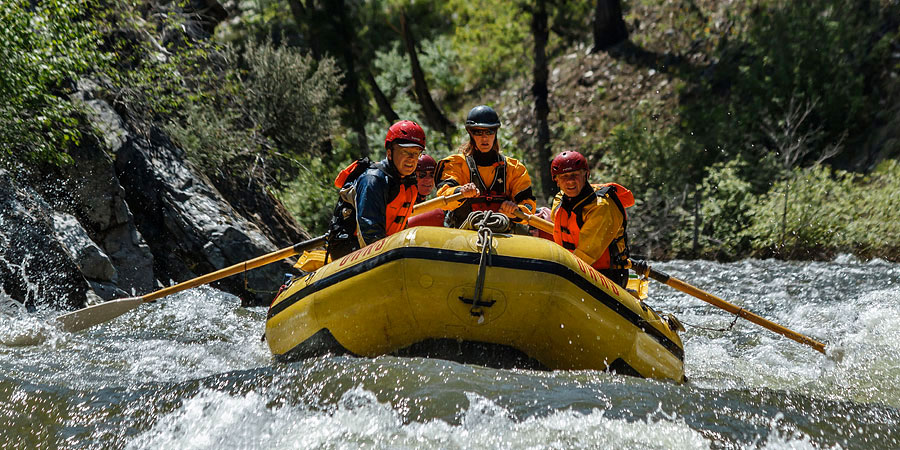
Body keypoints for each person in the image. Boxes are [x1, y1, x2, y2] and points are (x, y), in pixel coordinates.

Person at [325, 120, 424, 259]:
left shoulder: (408, 182)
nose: (411, 159)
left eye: (416, 153)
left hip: (386, 246)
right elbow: (370, 234)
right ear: (389, 153)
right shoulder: (373, 180)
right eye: (405, 152)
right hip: (351, 250)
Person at [434, 105, 537, 230]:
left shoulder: (514, 169)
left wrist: (516, 210)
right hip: (463, 237)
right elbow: (443, 195)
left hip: (503, 237)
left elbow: (529, 206)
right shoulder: (457, 164)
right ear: (471, 134)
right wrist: (460, 192)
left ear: (495, 133)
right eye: (478, 132)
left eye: (489, 131)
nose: (484, 138)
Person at [549, 151, 634, 288]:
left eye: (575, 175)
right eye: (564, 176)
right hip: (573, 268)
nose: (570, 180)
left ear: (586, 175)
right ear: (556, 180)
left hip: (607, 275)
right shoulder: (559, 200)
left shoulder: (601, 207)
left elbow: (585, 254)